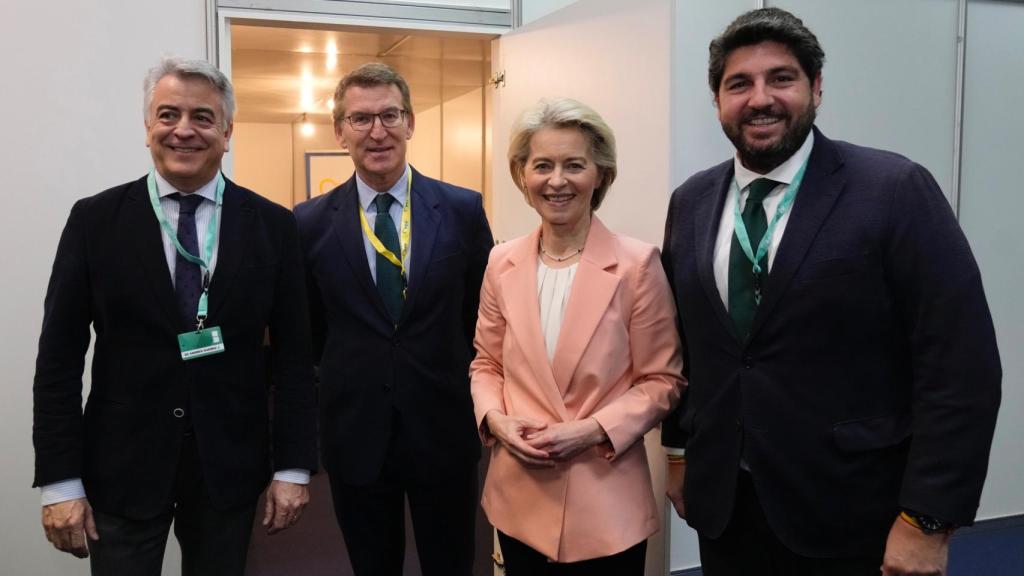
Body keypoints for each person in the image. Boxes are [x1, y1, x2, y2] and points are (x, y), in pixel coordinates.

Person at [660, 8, 1002, 576]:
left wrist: (929, 517)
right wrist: (678, 452)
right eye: (738, 83)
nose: (759, 98)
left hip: (854, 511)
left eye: (782, 78)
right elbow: (687, 345)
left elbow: (961, 366)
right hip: (726, 505)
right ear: (718, 100)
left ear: (816, 88)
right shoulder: (692, 202)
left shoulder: (892, 189)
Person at [32, 57, 318, 575]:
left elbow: (297, 358)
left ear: (227, 131)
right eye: (168, 115)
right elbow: (57, 362)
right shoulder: (95, 221)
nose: (184, 130)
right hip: (120, 468)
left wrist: (293, 467)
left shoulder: (273, 226)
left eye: (202, 117)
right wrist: (60, 480)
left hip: (229, 470)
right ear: (147, 129)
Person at [294, 62, 493, 576]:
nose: (377, 132)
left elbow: (484, 320)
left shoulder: (461, 210)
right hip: (355, 431)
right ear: (339, 131)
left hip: (443, 428)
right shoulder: (308, 223)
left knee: (450, 563)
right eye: (360, 119)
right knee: (371, 565)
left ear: (410, 122)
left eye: (389, 115)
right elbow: (311, 331)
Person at [471, 97, 684, 574]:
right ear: (522, 175)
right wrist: (495, 419)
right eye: (542, 165)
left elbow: (662, 381)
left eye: (574, 165)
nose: (557, 180)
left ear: (600, 175)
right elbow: (486, 364)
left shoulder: (638, 265)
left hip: (605, 499)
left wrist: (591, 430)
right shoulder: (500, 262)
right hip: (519, 493)